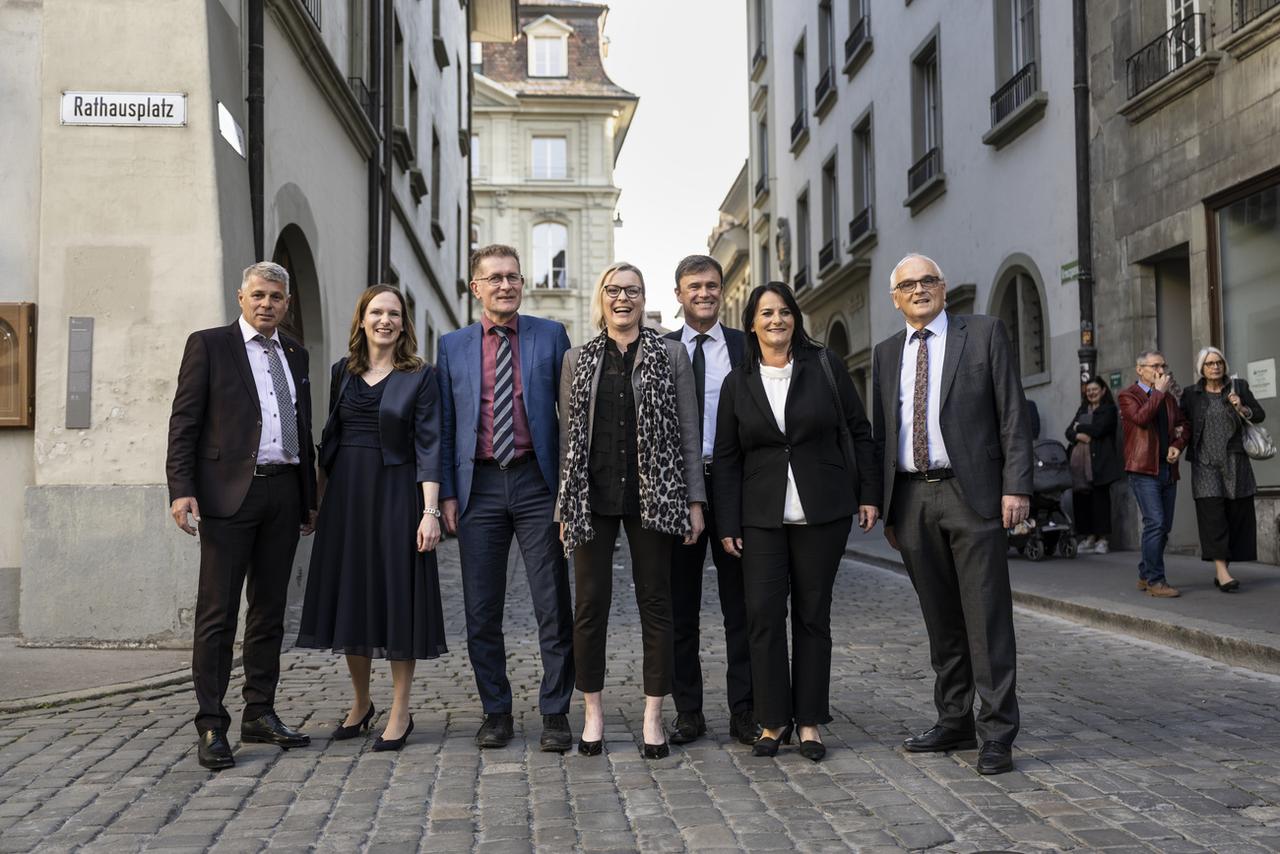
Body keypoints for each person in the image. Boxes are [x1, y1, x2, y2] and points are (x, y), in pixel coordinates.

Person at [870, 254, 1032, 776]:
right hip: (913, 498)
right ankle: (954, 718)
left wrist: (1017, 487)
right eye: (908, 285)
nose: (919, 289)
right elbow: (882, 432)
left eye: (928, 281)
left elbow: (1012, 412)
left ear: (943, 288)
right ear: (894, 298)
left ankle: (997, 733)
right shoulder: (885, 353)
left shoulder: (982, 333)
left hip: (974, 494)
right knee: (940, 618)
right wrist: (886, 502)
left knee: (986, 618)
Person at [712, 282, 877, 763]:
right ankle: (771, 720)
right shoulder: (736, 382)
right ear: (752, 323)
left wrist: (867, 493)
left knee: (812, 617)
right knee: (762, 617)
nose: (776, 320)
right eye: (766, 313)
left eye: (784, 312)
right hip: (759, 517)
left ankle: (808, 722)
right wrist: (728, 522)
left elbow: (860, 432)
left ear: (795, 319)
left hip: (822, 512)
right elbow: (725, 458)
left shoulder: (825, 367)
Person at [166, 262, 318, 771]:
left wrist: (308, 497)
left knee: (270, 611)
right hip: (229, 497)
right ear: (241, 297)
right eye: (258, 294)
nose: (267, 303)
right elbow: (184, 421)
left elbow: (302, 422)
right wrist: (181, 489)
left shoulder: (295, 354)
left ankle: (260, 712)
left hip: (283, 493)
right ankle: (211, 723)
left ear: (286, 303)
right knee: (218, 614)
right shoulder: (210, 345)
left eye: (276, 296)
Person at [557, 262, 705, 759]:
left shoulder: (673, 355)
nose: (623, 299)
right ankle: (593, 712)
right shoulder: (577, 359)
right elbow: (567, 440)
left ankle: (652, 715)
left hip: (654, 495)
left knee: (656, 604)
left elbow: (689, 432)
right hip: (591, 495)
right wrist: (564, 504)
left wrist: (695, 501)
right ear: (602, 298)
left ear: (645, 299)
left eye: (633, 291)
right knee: (589, 606)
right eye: (614, 291)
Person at [295, 285, 446, 751]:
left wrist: (429, 512)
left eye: (394, 314)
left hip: (397, 495)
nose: (385, 320)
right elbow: (331, 438)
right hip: (345, 498)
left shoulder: (420, 376)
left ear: (404, 324)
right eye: (376, 312)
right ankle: (361, 704)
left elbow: (429, 445)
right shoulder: (344, 371)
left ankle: (400, 710)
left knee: (397, 598)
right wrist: (316, 501)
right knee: (351, 598)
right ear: (362, 319)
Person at [436, 245, 575, 752]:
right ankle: (496, 711)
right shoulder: (452, 346)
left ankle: (555, 712)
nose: (505, 285)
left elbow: (570, 418)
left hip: (538, 483)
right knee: (481, 609)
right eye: (493, 278)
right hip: (480, 487)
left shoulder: (551, 335)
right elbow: (445, 423)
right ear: (476, 287)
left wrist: (568, 493)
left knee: (552, 605)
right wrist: (447, 494)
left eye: (513, 277)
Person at [663, 254, 759, 747]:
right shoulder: (659, 350)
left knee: (741, 607)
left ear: (722, 292)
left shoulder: (747, 347)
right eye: (694, 286)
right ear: (678, 294)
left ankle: (745, 711)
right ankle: (688, 713)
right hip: (676, 491)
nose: (704, 293)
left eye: (712, 286)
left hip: (734, 489)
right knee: (681, 610)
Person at [1180, 346, 1266, 592]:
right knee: (1212, 515)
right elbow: (1183, 425)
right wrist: (1176, 444)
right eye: (1209, 364)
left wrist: (1242, 408)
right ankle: (1222, 571)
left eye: (1218, 362)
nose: (1215, 367)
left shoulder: (1239, 388)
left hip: (1235, 461)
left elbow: (1259, 414)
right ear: (1201, 369)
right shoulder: (1191, 395)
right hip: (1205, 463)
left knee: (1234, 514)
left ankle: (1223, 567)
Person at [1118, 351, 1189, 598]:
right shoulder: (1128, 395)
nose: (1160, 369)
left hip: (1167, 469)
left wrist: (1177, 446)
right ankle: (1156, 581)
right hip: (1143, 469)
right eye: (1155, 365)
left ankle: (1144, 573)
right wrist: (1157, 392)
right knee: (1155, 522)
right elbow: (1141, 418)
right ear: (1140, 370)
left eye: (1163, 365)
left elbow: (1184, 425)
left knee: (1163, 527)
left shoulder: (1169, 398)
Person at [1065, 376, 1123, 554]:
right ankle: (1089, 537)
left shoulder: (1109, 410)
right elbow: (1068, 432)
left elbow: (1099, 429)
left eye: (1094, 389)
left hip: (1101, 463)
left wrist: (1079, 428)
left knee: (1100, 502)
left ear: (1103, 390)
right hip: (1080, 466)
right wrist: (1078, 435)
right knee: (1083, 502)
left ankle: (1102, 538)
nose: (1091, 393)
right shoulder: (1083, 409)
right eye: (1088, 390)